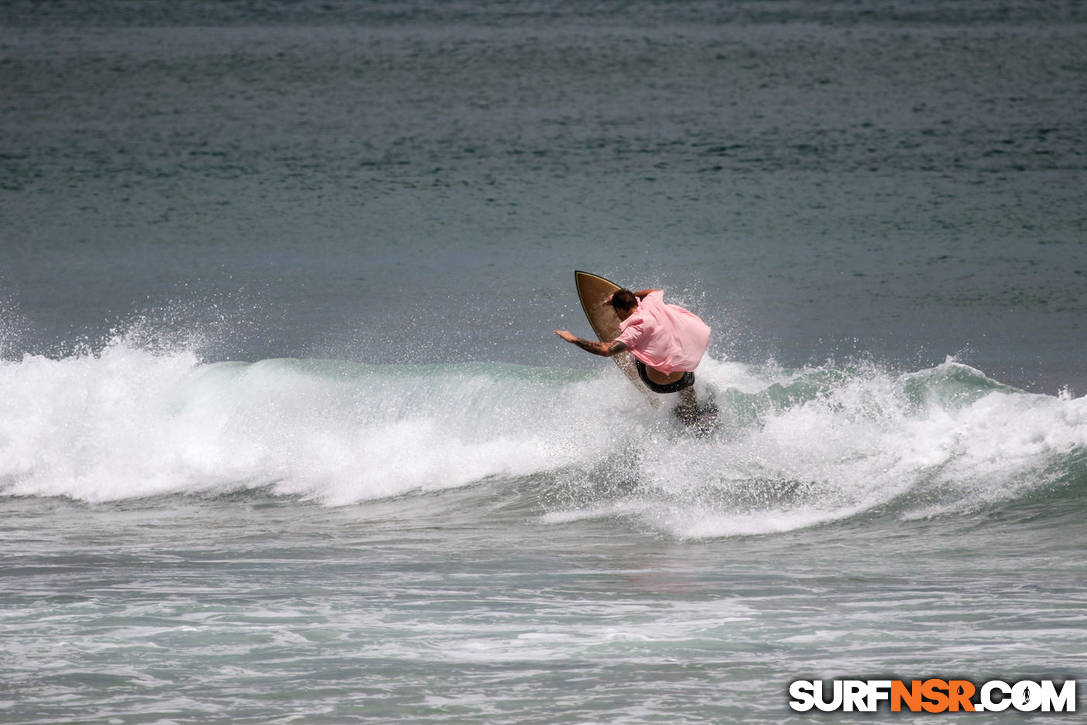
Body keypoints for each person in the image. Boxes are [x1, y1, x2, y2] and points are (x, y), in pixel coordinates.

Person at [554, 288, 714, 422]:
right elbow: (654, 290)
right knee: (680, 362)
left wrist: (573, 339)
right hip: (681, 376)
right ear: (636, 302)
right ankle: (692, 412)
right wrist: (632, 296)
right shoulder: (652, 304)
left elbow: (605, 350)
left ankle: (682, 412)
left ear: (620, 310)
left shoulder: (635, 329)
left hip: (657, 383)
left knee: (637, 351)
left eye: (617, 312)